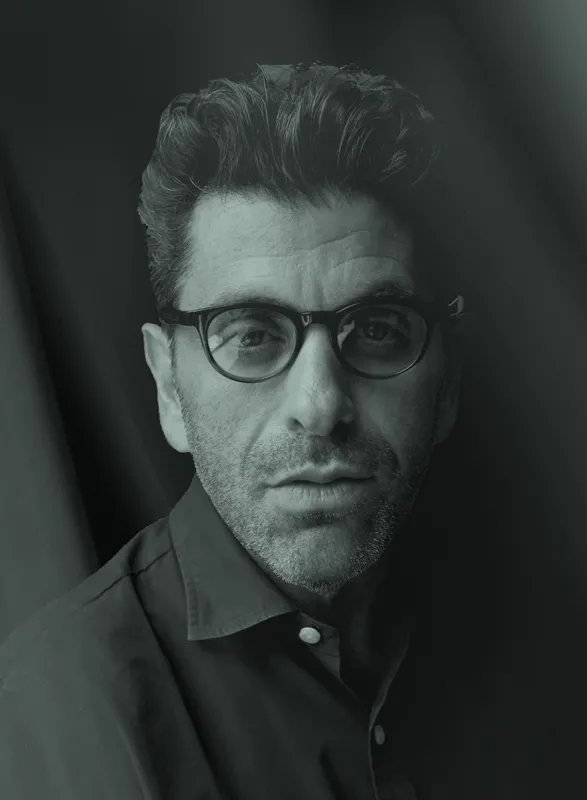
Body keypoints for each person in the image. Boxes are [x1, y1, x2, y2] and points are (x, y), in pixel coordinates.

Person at [0, 62, 466, 799]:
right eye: (251, 335)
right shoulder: (52, 714)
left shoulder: (560, 645)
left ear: (448, 383)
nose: (320, 405)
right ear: (169, 386)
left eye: (377, 329)